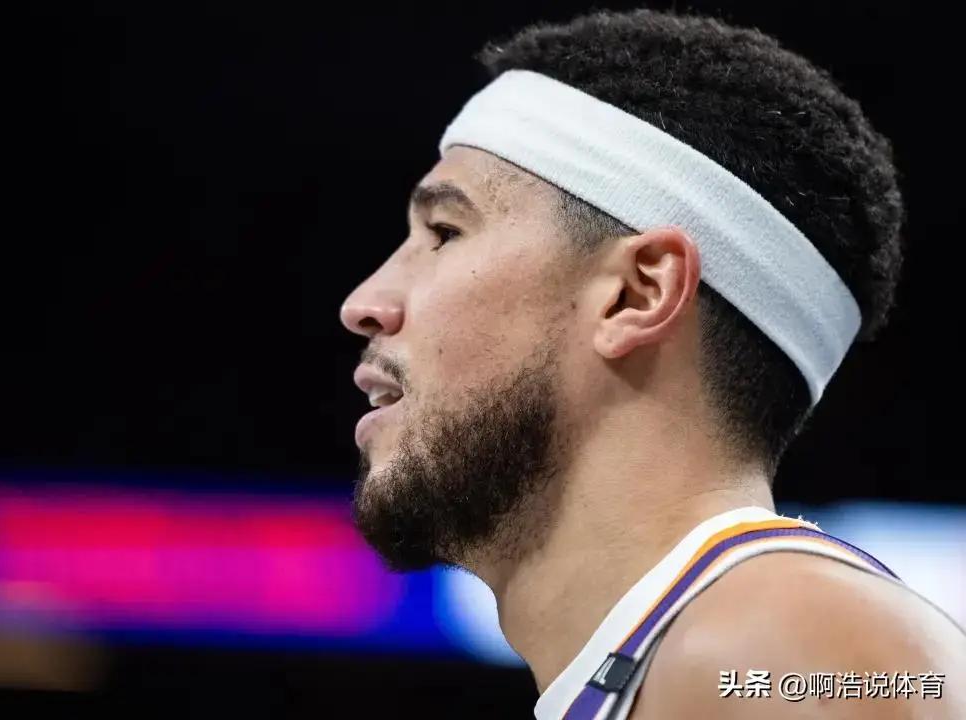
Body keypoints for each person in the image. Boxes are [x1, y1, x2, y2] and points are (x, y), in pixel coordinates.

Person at [338, 9, 964, 719]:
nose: (366, 304)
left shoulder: (785, 650)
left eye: (445, 232)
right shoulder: (708, 654)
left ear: (637, 294)